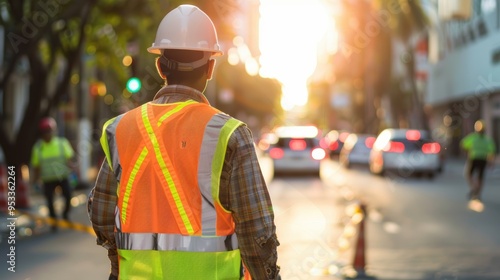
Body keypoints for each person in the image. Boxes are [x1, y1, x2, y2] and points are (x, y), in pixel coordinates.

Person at [87, 4, 280, 280]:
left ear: (160, 65)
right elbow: (257, 230)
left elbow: (101, 214)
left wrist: (119, 265)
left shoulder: (121, 129)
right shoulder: (229, 133)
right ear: (210, 67)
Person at [31, 117, 75, 227]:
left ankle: (65, 214)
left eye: (49, 131)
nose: (48, 134)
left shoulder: (62, 143)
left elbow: (69, 160)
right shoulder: (38, 148)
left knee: (68, 196)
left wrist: (73, 173)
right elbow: (36, 166)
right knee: (49, 201)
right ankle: (54, 221)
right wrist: (35, 181)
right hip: (47, 179)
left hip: (62, 176)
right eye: (45, 131)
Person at [460, 119, 496, 201]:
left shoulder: (473, 137)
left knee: (468, 174)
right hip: (483, 159)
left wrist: (468, 151)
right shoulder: (487, 140)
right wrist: (491, 162)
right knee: (480, 177)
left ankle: (474, 188)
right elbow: (491, 152)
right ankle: (478, 193)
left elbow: (463, 144)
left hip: (474, 158)